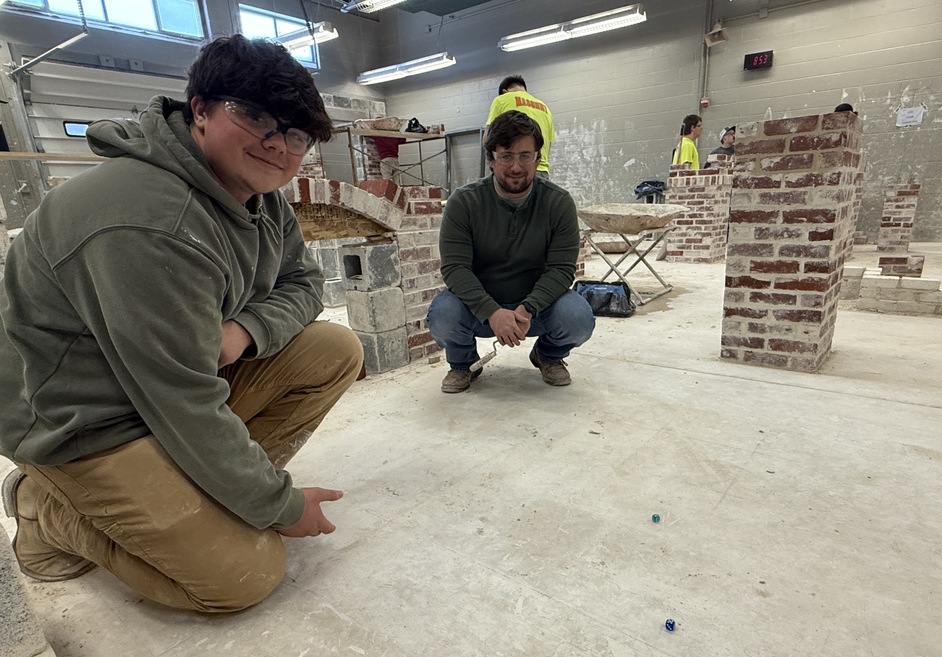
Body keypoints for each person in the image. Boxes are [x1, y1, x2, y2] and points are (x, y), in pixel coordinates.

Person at [0, 35, 365, 613]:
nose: (277, 145)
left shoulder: (260, 196)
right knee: (245, 575)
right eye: (255, 117)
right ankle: (43, 510)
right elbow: (184, 400)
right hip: (82, 418)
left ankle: (205, 498)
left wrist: (245, 330)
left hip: (160, 385)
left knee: (333, 349)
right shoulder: (149, 219)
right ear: (199, 109)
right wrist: (281, 506)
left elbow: (306, 285)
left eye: (295, 135)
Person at [426, 110, 594, 394]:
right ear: (490, 159)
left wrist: (529, 307)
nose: (516, 166)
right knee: (442, 315)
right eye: (506, 156)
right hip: (478, 307)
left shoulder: (558, 203)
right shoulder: (464, 202)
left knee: (579, 318)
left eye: (525, 155)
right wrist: (491, 311)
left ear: (538, 158)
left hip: (535, 308)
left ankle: (548, 355)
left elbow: (562, 269)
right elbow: (455, 268)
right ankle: (463, 363)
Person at [484, 75, 555, 177]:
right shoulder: (545, 108)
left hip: (513, 169)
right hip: (541, 170)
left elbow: (487, 139)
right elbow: (549, 143)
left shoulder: (501, 100)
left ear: (504, 91)